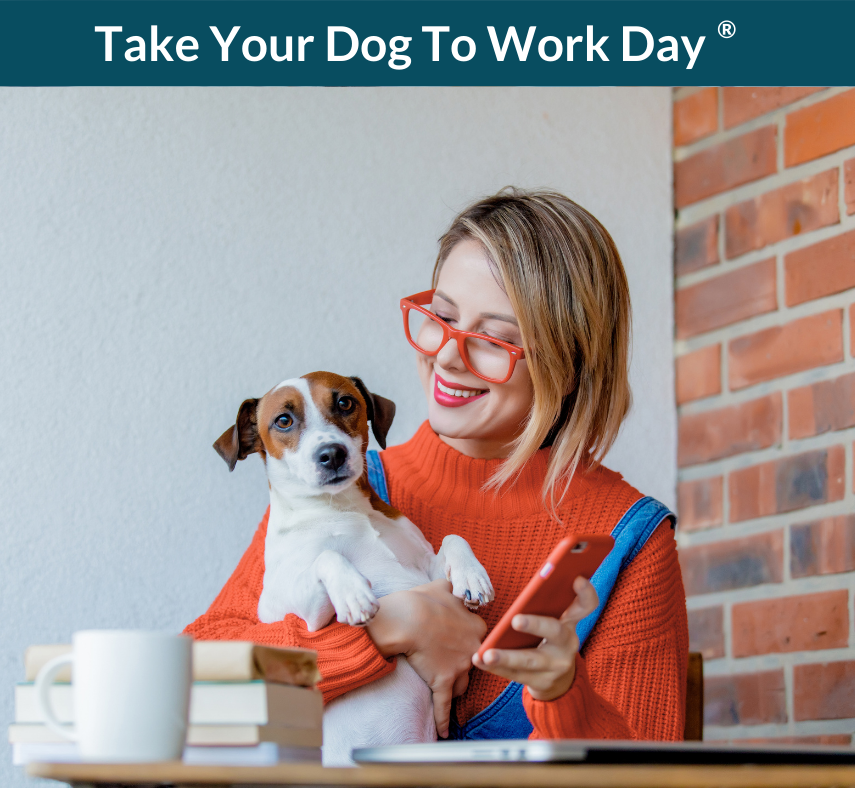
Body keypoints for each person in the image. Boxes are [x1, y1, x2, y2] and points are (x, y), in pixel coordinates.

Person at [184, 187, 688, 742]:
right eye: (440, 316)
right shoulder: (344, 488)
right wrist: (385, 633)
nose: (448, 354)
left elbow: (646, 770)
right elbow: (198, 685)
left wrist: (562, 696)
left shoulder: (628, 537)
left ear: (567, 367)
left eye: (495, 339)